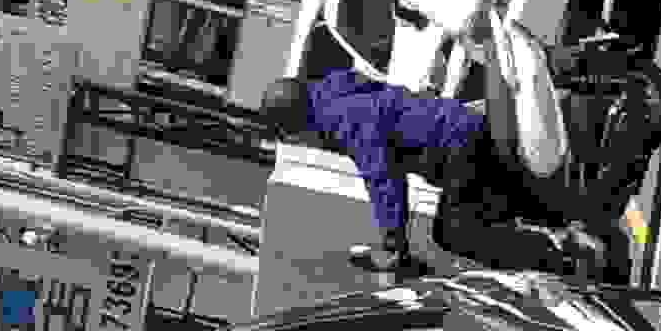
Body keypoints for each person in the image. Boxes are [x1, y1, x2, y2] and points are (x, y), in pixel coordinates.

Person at [249, 53, 619, 283]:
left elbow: (382, 176)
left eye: (293, 137)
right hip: (465, 129)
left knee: (456, 232)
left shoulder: (340, 119)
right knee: (511, 203)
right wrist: (394, 239)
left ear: (296, 126)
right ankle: (590, 240)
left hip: (457, 146)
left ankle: (565, 262)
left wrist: (393, 241)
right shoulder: (335, 90)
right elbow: (390, 159)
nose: (303, 144)